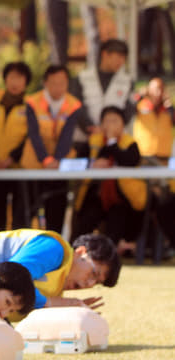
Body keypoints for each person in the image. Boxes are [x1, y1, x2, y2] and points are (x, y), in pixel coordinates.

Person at [0, 229, 121, 310]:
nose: (88, 284)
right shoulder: (53, 248)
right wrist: (59, 303)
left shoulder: (56, 282)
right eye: (94, 273)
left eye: (97, 283)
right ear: (80, 252)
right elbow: (11, 277)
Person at [73, 106, 145, 253]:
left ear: (122, 124)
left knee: (117, 221)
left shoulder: (130, 143)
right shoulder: (93, 141)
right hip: (95, 196)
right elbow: (77, 162)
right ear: (101, 124)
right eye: (107, 121)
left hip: (122, 198)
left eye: (115, 121)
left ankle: (109, 256)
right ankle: (74, 253)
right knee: (85, 223)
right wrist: (94, 164)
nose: (110, 125)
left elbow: (130, 161)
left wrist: (112, 141)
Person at [20, 65, 83, 232]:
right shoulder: (32, 102)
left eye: (62, 83)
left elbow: (67, 136)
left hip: (61, 166)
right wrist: (46, 159)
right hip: (34, 163)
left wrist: (58, 160)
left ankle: (55, 248)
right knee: (29, 209)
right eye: (54, 83)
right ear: (45, 83)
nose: (58, 87)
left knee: (56, 208)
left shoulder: (73, 104)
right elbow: (33, 134)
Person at [0, 61, 33, 230]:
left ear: (26, 82)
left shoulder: (30, 106)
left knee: (20, 212)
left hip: (19, 168)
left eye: (19, 78)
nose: (15, 82)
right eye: (11, 77)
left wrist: (12, 158)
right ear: (5, 79)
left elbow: (30, 137)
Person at [70, 39, 134, 151]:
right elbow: (76, 105)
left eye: (124, 58)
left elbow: (129, 109)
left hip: (115, 140)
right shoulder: (82, 78)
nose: (121, 61)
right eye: (118, 56)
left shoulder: (127, 81)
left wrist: (111, 129)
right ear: (105, 54)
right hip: (84, 140)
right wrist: (89, 127)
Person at [132, 77, 175, 245]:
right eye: (154, 89)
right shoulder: (141, 106)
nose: (157, 93)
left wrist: (169, 105)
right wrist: (138, 97)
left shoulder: (167, 110)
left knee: (164, 201)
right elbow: (127, 110)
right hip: (145, 159)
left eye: (160, 89)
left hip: (164, 161)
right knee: (152, 200)